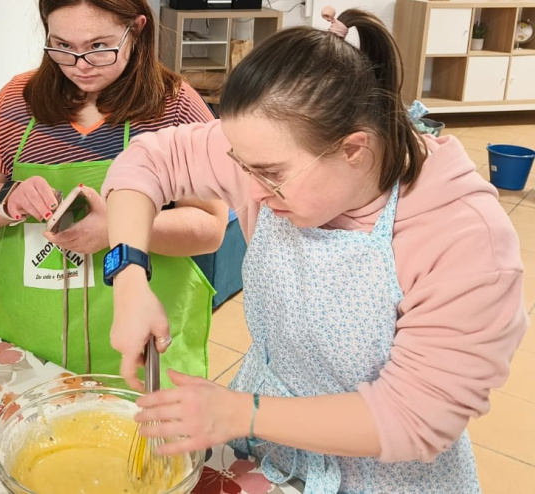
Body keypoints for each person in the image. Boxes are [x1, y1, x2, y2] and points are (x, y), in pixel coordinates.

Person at [102, 7, 528, 493]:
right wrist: (129, 276)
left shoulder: (464, 237)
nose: (251, 191)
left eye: (270, 174)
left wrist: (241, 413)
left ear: (354, 149)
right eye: (243, 166)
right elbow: (146, 162)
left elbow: (415, 417)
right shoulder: (269, 148)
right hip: (267, 453)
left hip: (385, 476)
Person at [0, 0, 227, 378]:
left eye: (99, 46)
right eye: (63, 46)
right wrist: (8, 197)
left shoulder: (175, 106)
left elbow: (210, 227)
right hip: (24, 332)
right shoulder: (17, 99)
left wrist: (118, 230)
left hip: (136, 339)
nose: (80, 65)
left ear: (137, 29)